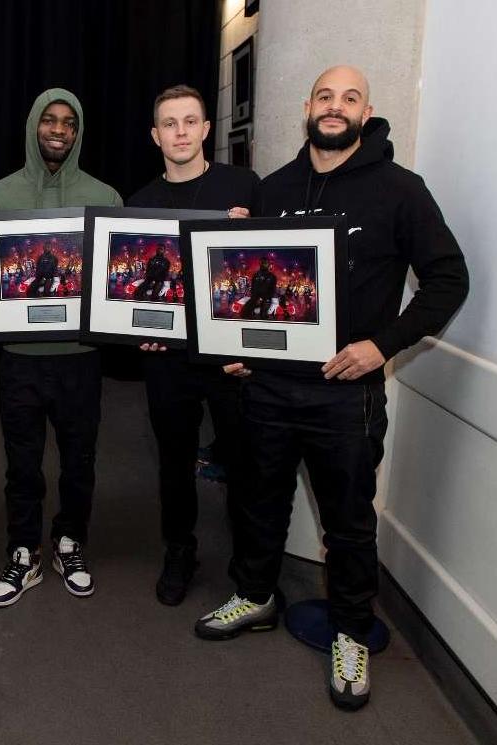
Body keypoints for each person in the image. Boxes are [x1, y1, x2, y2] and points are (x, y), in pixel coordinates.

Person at [196, 66, 469, 712]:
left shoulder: (401, 190)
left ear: (366, 111)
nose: (334, 106)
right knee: (258, 501)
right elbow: (247, 282)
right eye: (324, 96)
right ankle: (256, 593)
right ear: (306, 107)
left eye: (349, 98)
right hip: (266, 387)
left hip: (346, 394)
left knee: (347, 524)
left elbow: (447, 279)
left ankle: (350, 630)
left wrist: (381, 345)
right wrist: (237, 340)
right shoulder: (273, 188)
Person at [0, 88, 122, 607]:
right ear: (34, 125)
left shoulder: (106, 197)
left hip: (81, 360)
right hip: (19, 361)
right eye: (49, 121)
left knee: (79, 461)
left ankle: (69, 542)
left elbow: (114, 282)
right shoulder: (0, 193)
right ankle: (23, 551)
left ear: (78, 132)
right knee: (22, 464)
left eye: (68, 123)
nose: (58, 130)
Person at [126, 84, 260, 606]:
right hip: (170, 360)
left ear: (206, 129)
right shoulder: (138, 205)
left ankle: (250, 564)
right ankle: (179, 549)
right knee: (174, 460)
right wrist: (142, 329)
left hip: (229, 356)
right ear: (155, 135)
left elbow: (262, 266)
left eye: (190, 121)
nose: (180, 132)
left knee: (244, 461)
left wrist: (249, 237)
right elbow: (133, 285)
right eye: (169, 123)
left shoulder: (244, 187)